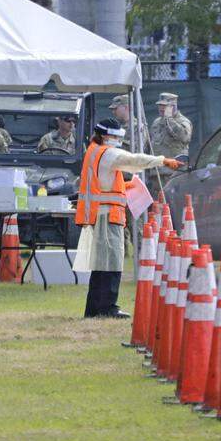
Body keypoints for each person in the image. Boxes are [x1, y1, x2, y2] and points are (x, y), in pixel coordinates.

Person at [75, 117, 182, 318]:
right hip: (108, 215)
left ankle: (94, 310)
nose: (116, 139)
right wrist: (162, 160)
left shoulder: (94, 151)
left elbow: (104, 182)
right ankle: (107, 308)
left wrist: (123, 187)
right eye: (114, 136)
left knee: (100, 265)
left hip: (99, 214)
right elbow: (134, 160)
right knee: (112, 264)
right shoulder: (108, 153)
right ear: (105, 135)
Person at [149, 92, 192, 196]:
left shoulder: (183, 122)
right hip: (157, 173)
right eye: (160, 105)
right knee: (157, 207)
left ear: (173, 106)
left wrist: (169, 119)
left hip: (173, 174)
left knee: (172, 205)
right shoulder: (156, 123)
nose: (161, 108)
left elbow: (184, 137)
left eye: (164, 106)